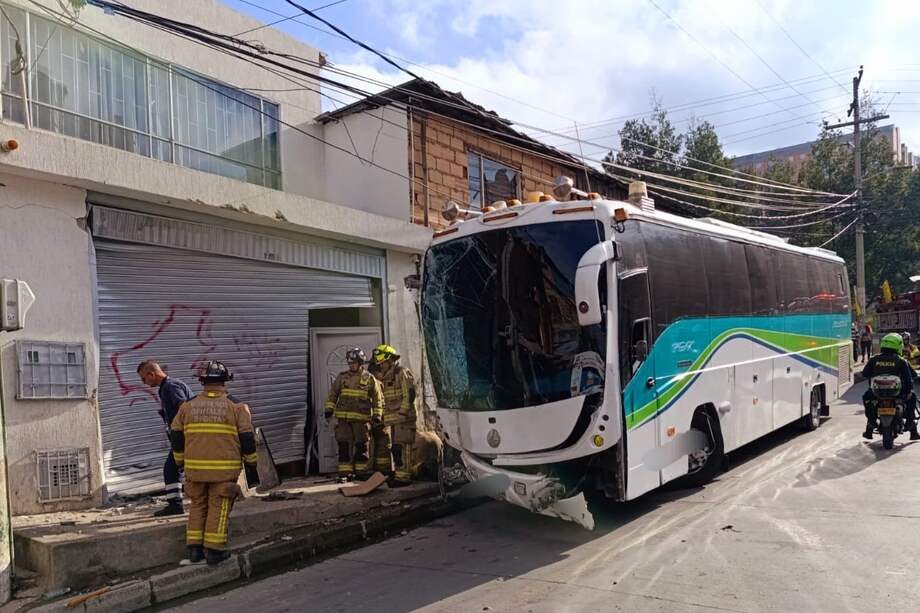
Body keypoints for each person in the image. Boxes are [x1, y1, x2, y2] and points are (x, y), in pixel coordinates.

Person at [170, 361, 258, 565]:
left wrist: (180, 460)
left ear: (202, 381)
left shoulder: (187, 406)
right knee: (219, 507)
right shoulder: (237, 406)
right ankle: (214, 550)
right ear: (225, 381)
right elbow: (247, 438)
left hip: (195, 470)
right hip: (224, 471)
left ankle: (194, 550)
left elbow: (175, 435)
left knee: (198, 505)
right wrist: (252, 463)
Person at [137, 360, 192, 517]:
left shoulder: (170, 387)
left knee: (171, 469)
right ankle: (177, 504)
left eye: (143, 379)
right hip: (182, 437)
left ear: (151, 374)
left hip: (184, 437)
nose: (144, 383)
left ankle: (176, 505)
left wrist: (179, 429)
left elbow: (185, 409)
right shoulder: (167, 387)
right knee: (177, 469)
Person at [324, 348, 384, 481]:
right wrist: (329, 409)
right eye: (349, 363)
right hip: (343, 419)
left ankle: (361, 472)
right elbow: (333, 394)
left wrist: (377, 415)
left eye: (354, 363)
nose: (351, 365)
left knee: (361, 445)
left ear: (360, 363)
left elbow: (377, 398)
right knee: (344, 444)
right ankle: (345, 472)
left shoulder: (369, 378)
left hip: (361, 419)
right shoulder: (342, 377)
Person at [372, 344, 418, 485]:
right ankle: (399, 474)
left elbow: (409, 394)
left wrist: (403, 413)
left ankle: (403, 478)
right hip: (394, 420)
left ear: (389, 360)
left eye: (382, 363)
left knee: (402, 448)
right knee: (396, 449)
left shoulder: (402, 372)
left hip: (404, 419)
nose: (381, 367)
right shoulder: (387, 377)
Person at [861, 333, 919, 441]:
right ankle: (911, 426)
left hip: (876, 393)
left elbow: (864, 374)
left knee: (866, 398)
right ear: (898, 345)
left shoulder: (874, 359)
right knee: (912, 398)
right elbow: (910, 378)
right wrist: (909, 390)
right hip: (898, 393)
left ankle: (871, 425)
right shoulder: (901, 361)